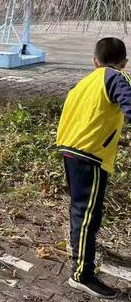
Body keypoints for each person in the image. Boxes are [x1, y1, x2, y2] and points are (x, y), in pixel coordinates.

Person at [56, 37, 131, 299]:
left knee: (81, 210)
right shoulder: (116, 78)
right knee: (87, 215)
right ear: (124, 63)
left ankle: (78, 255)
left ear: (94, 61)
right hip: (90, 155)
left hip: (69, 150)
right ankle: (81, 274)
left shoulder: (84, 83)